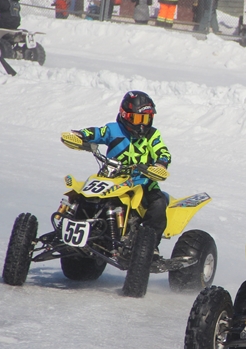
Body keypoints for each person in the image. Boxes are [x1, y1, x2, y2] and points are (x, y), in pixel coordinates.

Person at [69, 91, 171, 255]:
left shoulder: (152, 135)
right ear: (126, 116)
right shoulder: (114, 129)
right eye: (138, 119)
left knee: (159, 204)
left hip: (142, 182)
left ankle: (150, 247)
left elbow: (162, 152)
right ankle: (74, 227)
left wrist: (160, 164)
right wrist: (81, 135)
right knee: (82, 195)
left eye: (146, 119)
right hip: (111, 179)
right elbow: (98, 133)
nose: (142, 125)